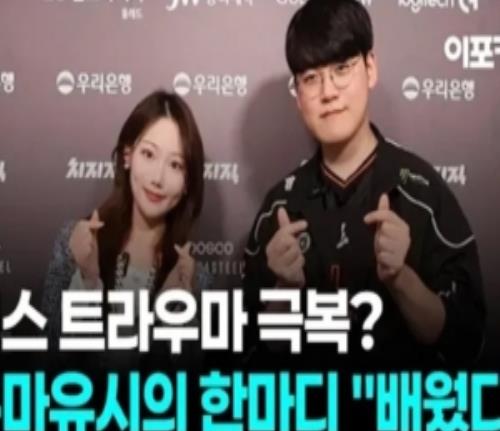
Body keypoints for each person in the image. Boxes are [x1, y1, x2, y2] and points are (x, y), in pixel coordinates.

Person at [243, 0, 485, 369]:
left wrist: (401, 279)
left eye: (342, 69)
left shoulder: (422, 194)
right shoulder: (278, 210)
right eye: (311, 78)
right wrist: (283, 293)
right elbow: (249, 354)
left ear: (370, 68)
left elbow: (467, 340)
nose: (328, 92)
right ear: (298, 95)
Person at [41, 89, 209, 370]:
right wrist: (87, 281)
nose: (157, 178)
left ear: (187, 183)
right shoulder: (75, 245)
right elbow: (48, 366)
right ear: (128, 156)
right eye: (149, 154)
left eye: (175, 165)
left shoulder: (195, 280)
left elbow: (189, 389)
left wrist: (175, 312)